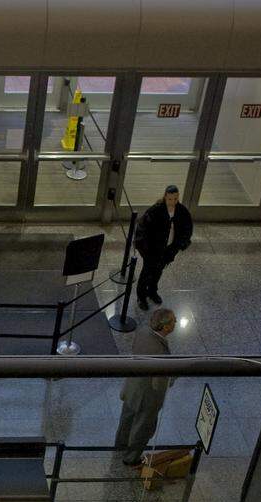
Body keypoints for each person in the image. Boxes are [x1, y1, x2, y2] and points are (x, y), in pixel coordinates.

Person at [115, 308, 176, 467]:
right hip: (147, 397)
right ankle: (131, 458)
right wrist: (172, 377)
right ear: (165, 327)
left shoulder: (142, 332)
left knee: (126, 419)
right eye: (173, 321)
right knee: (142, 428)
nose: (175, 323)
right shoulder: (161, 353)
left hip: (132, 387)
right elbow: (159, 383)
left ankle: (119, 446)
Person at [134, 186, 193, 311]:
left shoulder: (181, 211)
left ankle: (152, 291)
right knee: (146, 272)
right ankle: (141, 296)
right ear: (165, 196)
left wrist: (180, 245)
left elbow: (187, 229)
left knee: (158, 271)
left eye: (175, 199)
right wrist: (145, 249)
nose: (173, 202)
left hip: (168, 250)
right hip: (152, 250)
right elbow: (143, 229)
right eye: (170, 199)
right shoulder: (155, 211)